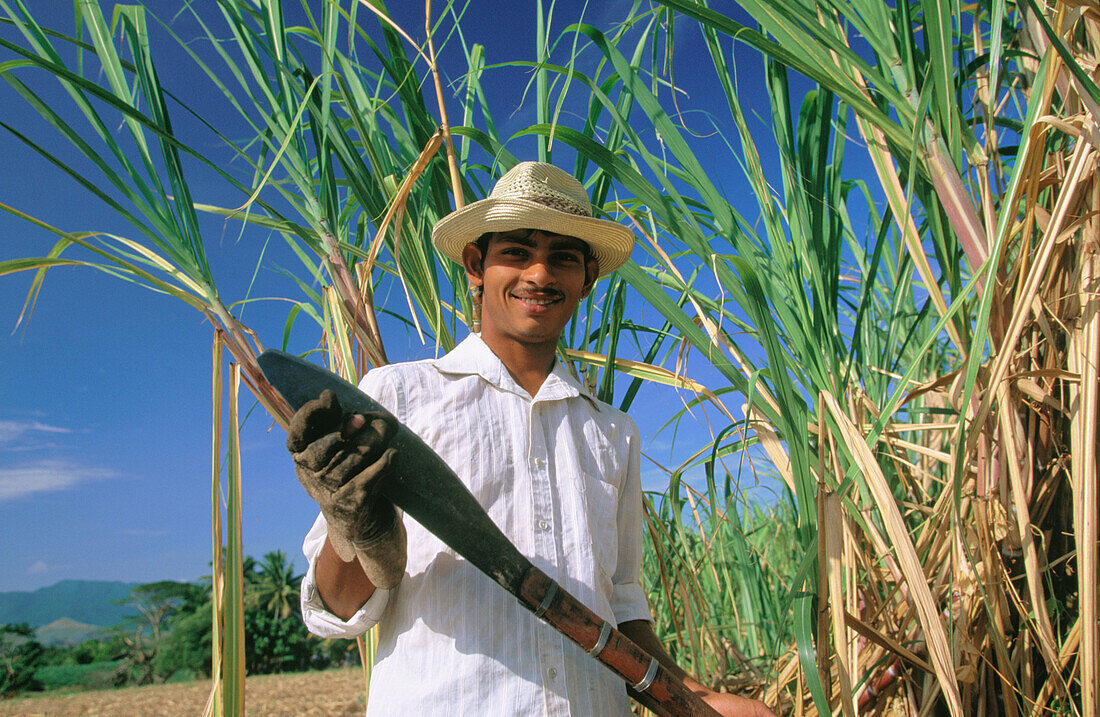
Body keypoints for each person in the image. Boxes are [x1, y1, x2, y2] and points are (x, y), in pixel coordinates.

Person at [288, 162, 774, 716]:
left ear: (586, 279)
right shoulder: (397, 400)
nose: (539, 274)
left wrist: (696, 700)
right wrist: (353, 531)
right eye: (517, 251)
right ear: (476, 264)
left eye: (563, 257)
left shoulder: (612, 432)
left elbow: (618, 606)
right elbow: (335, 610)